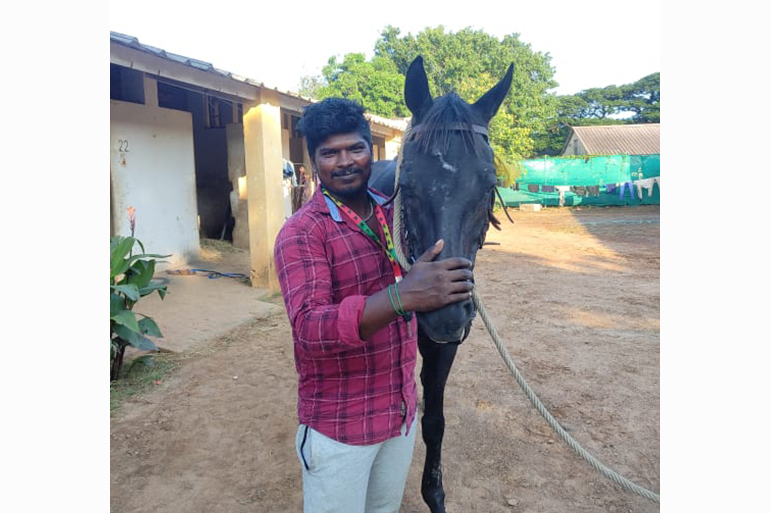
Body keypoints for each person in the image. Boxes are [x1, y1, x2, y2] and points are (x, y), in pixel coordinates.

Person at [273, 98, 474, 513]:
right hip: (340, 429)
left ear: (371, 152)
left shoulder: (392, 215)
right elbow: (310, 329)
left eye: (355, 149)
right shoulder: (302, 233)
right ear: (313, 162)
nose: (345, 162)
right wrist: (403, 296)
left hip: (398, 419)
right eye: (330, 153)